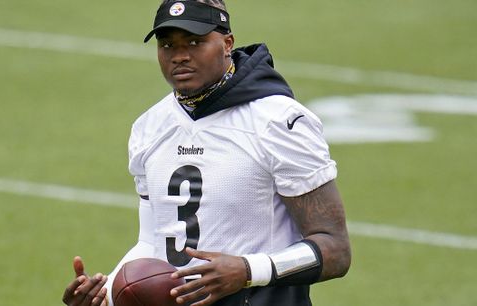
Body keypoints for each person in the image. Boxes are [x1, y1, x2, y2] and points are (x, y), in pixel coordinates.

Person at [62, 0, 351, 305]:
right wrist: (105, 294)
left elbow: (335, 249)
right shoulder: (149, 127)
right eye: (167, 45)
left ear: (227, 44)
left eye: (195, 42)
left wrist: (248, 270)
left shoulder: (278, 121)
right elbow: (152, 242)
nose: (180, 56)